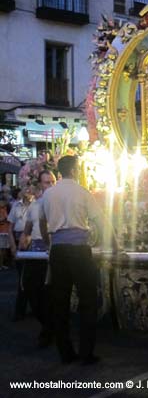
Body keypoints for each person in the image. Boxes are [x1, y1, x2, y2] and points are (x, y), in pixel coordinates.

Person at [40, 155, 104, 365]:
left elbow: (41, 222)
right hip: (78, 250)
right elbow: (99, 221)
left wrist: (49, 243)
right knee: (88, 300)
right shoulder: (83, 192)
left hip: (58, 250)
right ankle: (86, 352)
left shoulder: (49, 194)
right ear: (75, 170)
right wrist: (108, 243)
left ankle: (65, 351)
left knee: (59, 301)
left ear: (59, 171)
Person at [20, 170, 56, 348]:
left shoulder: (59, 204)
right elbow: (27, 229)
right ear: (40, 184)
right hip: (35, 251)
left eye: (51, 182)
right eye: (45, 182)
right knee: (31, 289)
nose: (48, 186)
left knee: (48, 293)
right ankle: (47, 325)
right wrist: (22, 240)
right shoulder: (35, 205)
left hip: (53, 250)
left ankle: (48, 329)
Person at [8, 186, 34, 321]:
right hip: (19, 242)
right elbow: (10, 228)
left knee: (30, 277)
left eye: (30, 189)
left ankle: (27, 309)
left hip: (33, 242)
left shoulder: (37, 204)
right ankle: (21, 310)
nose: (28, 192)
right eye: (26, 189)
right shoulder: (15, 206)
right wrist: (12, 245)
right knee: (22, 277)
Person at [0, 200, 10, 270]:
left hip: (5, 231)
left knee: (3, 250)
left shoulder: (5, 209)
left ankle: (2, 265)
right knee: (1, 250)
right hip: (1, 232)